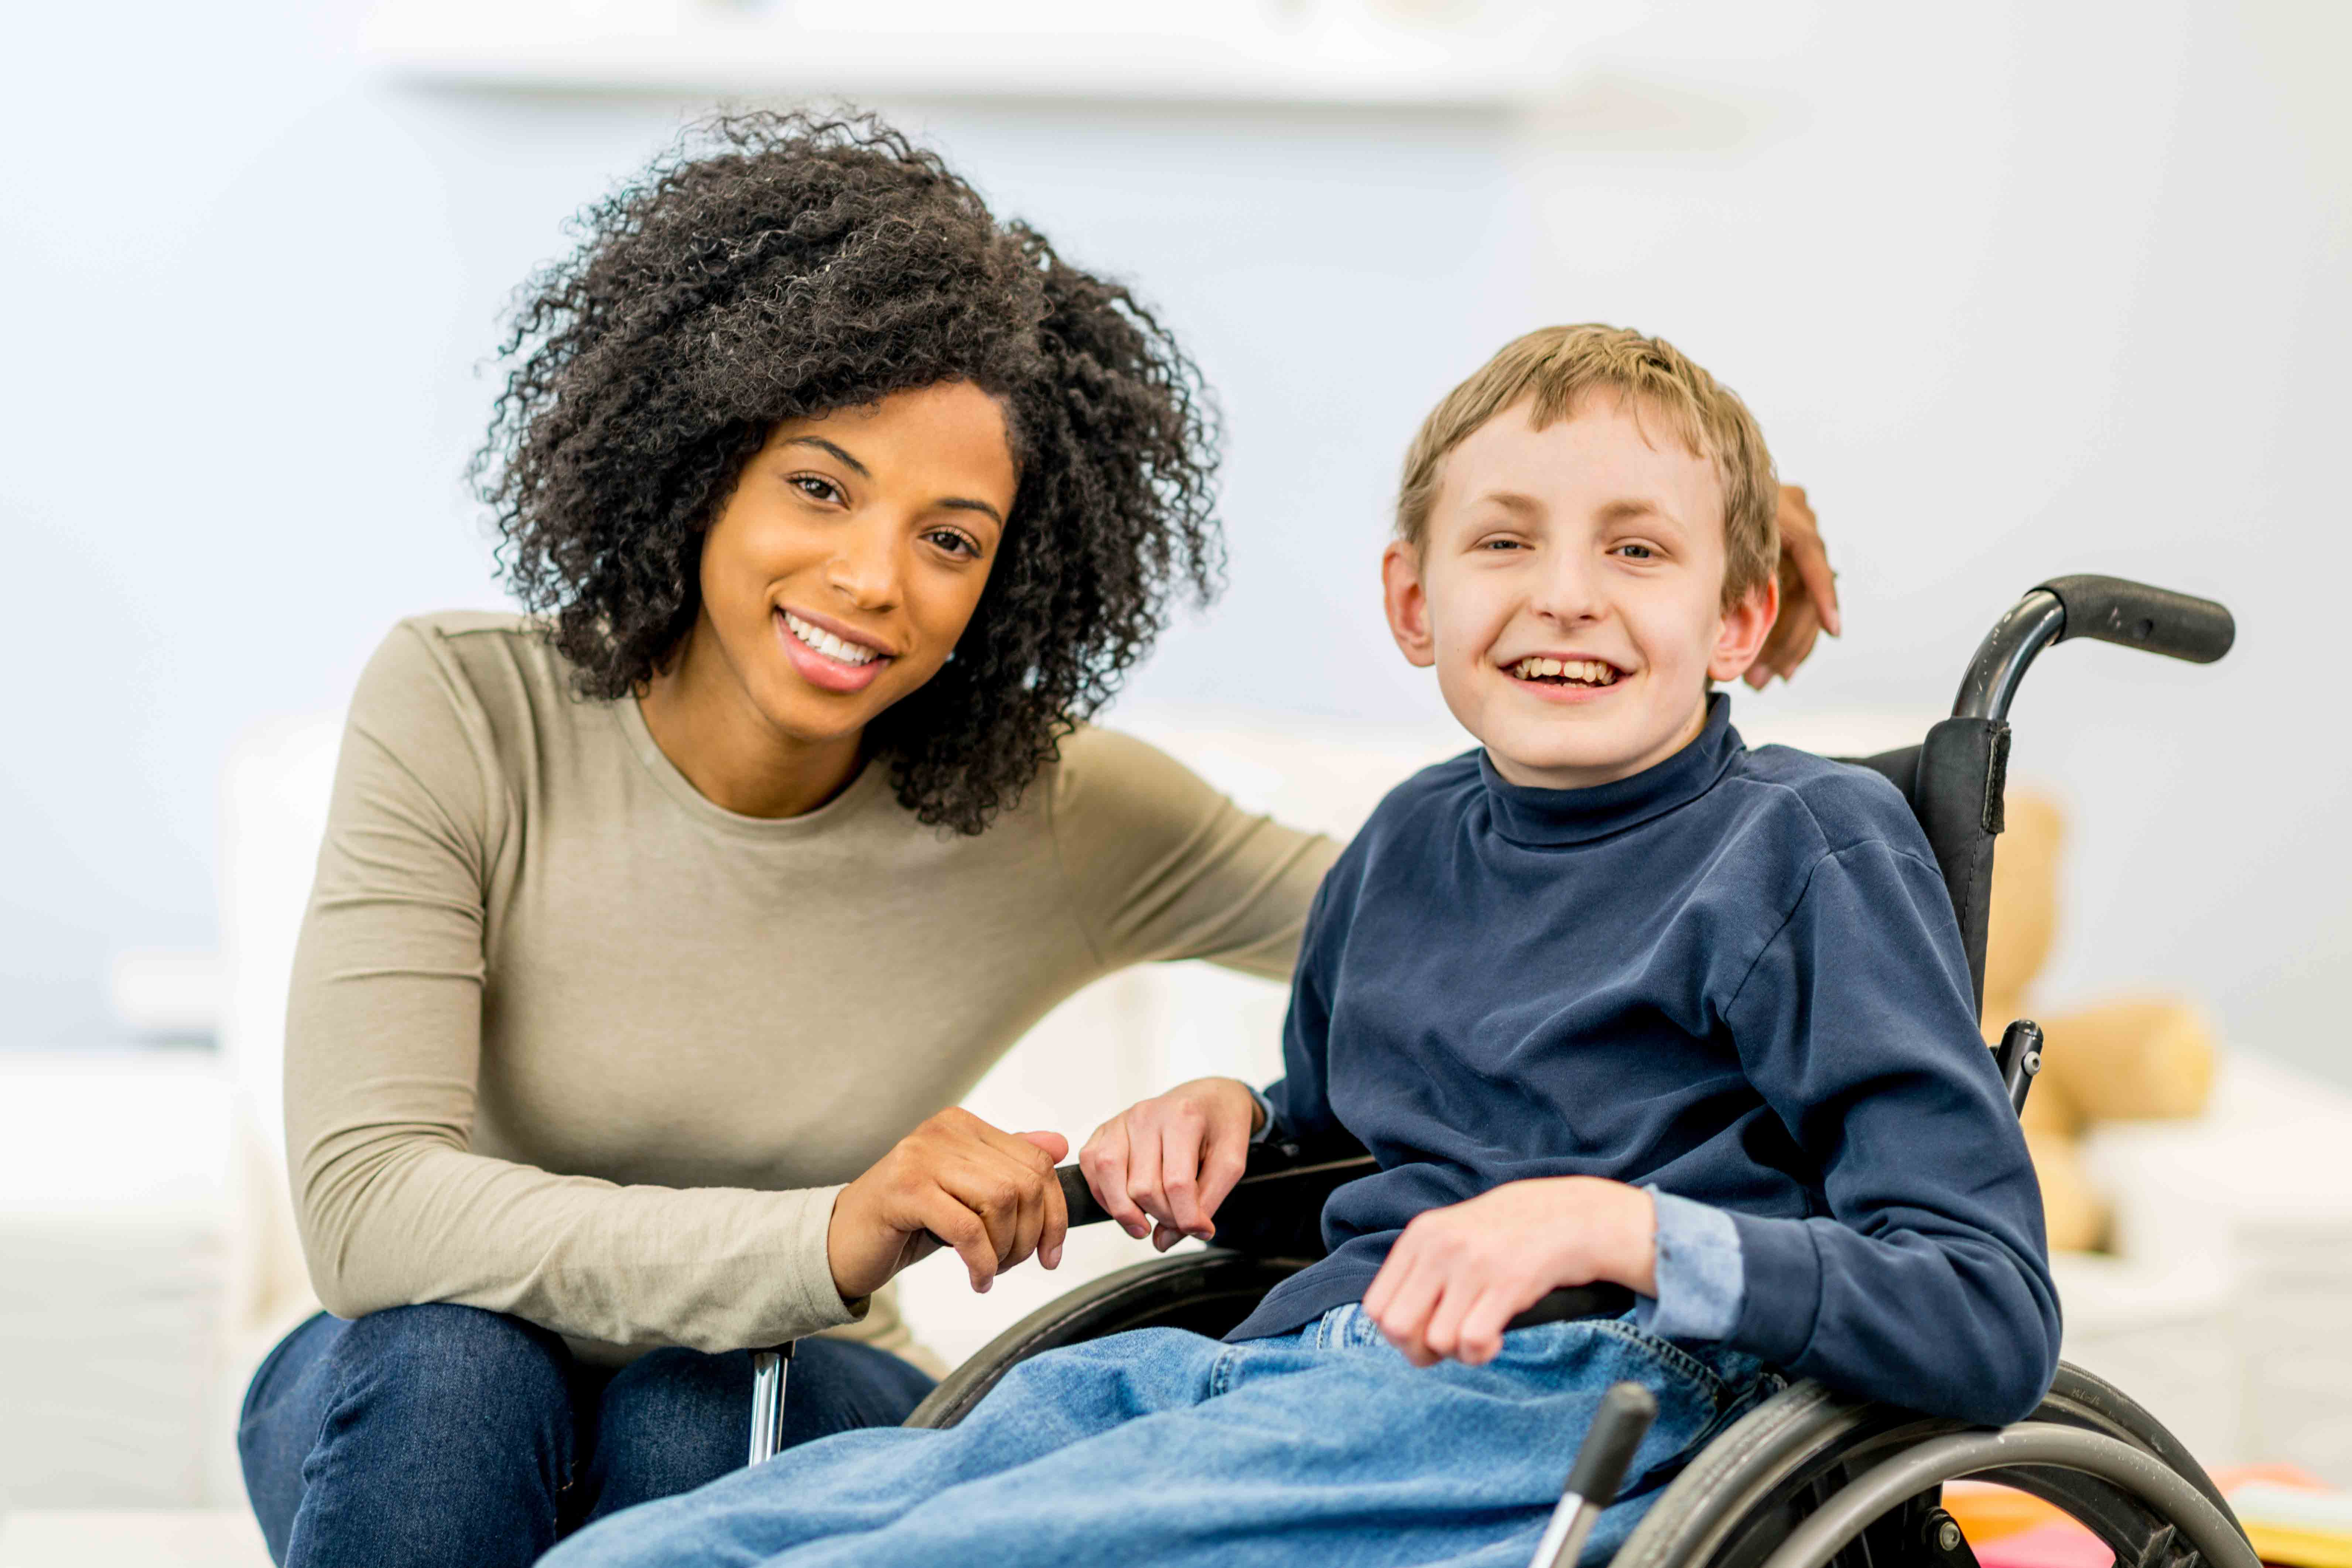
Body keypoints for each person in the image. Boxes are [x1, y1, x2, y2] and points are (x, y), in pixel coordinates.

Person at [233, 107, 1844, 1567]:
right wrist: (829, 1231)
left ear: (1011, 578)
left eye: (950, 540)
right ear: (696, 462)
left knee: (696, 1402)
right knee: (450, 1358)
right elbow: (375, 1207)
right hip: (417, 1383)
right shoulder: (463, 707)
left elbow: (1494, 936)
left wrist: (1669, 605)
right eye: (816, 487)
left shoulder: (1059, 808)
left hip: (777, 1387)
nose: (873, 579)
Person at [541, 324, 2057, 1568]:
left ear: (1738, 620)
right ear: (1415, 601)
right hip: (1285, 1370)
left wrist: (1607, 1229)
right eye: (1504, 541)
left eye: (1637, 550)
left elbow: (1982, 1309)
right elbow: (1343, 1155)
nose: (1565, 592)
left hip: (1576, 1397)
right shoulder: (1404, 847)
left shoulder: (1801, 852)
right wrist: (1238, 1122)